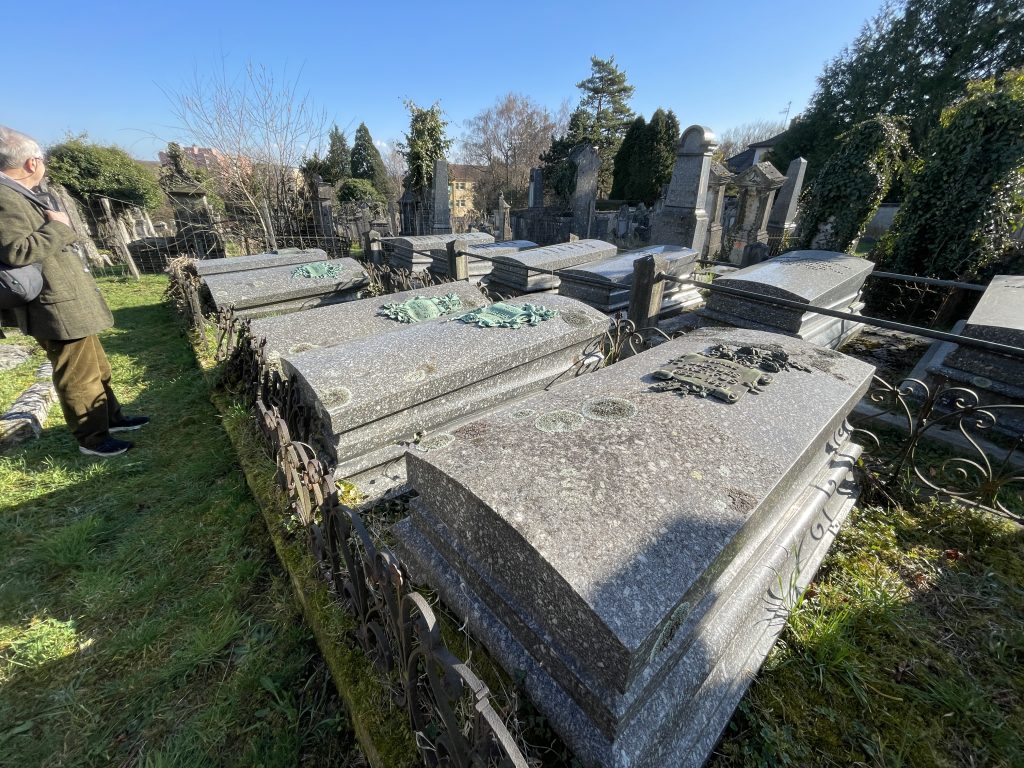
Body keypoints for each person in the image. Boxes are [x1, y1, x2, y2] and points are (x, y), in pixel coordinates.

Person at [0, 126, 147, 457]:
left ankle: (112, 418)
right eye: (41, 159)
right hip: (51, 303)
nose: (43, 165)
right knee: (77, 373)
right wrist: (58, 227)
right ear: (30, 162)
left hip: (66, 299)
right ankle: (93, 438)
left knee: (96, 366)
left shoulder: (17, 192)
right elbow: (15, 251)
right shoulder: (4, 197)